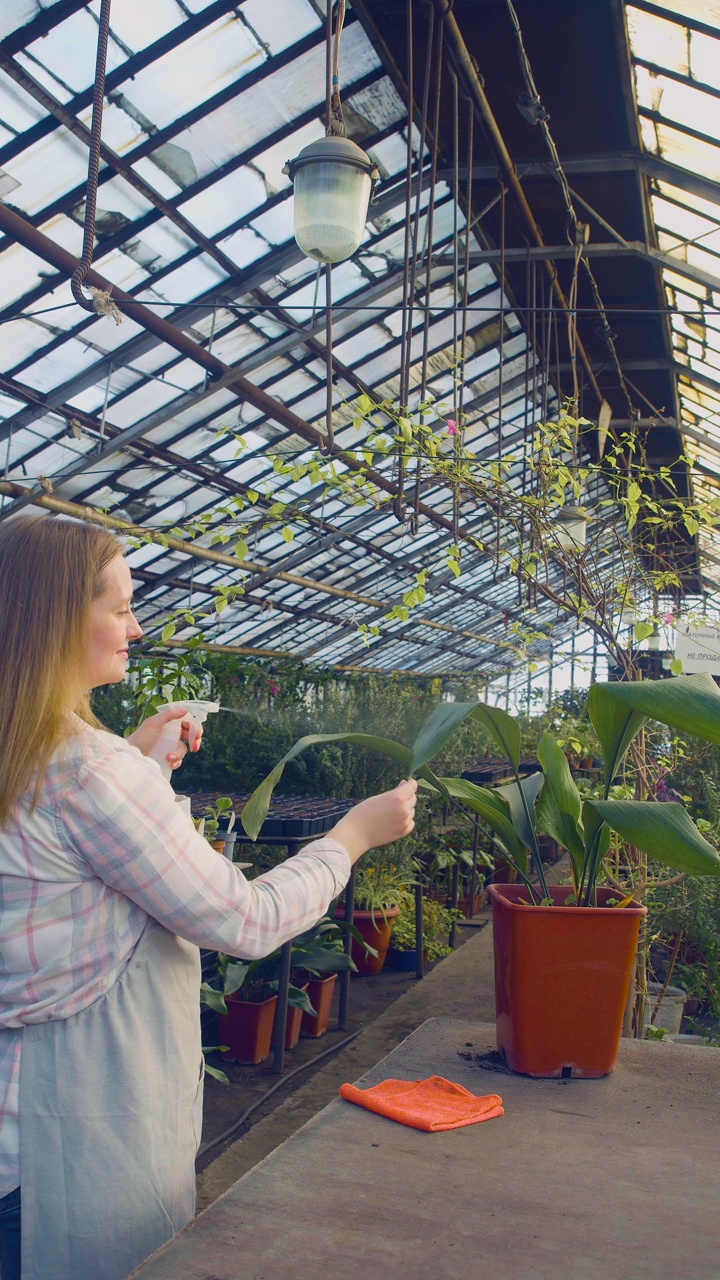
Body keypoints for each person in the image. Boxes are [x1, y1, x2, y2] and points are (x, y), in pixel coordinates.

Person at [0, 515, 417, 1280]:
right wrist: (349, 841)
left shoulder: (34, 758)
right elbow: (244, 919)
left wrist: (142, 765)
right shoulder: (90, 772)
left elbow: (63, 875)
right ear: (59, 617)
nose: (135, 625)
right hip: (57, 1156)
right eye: (118, 607)